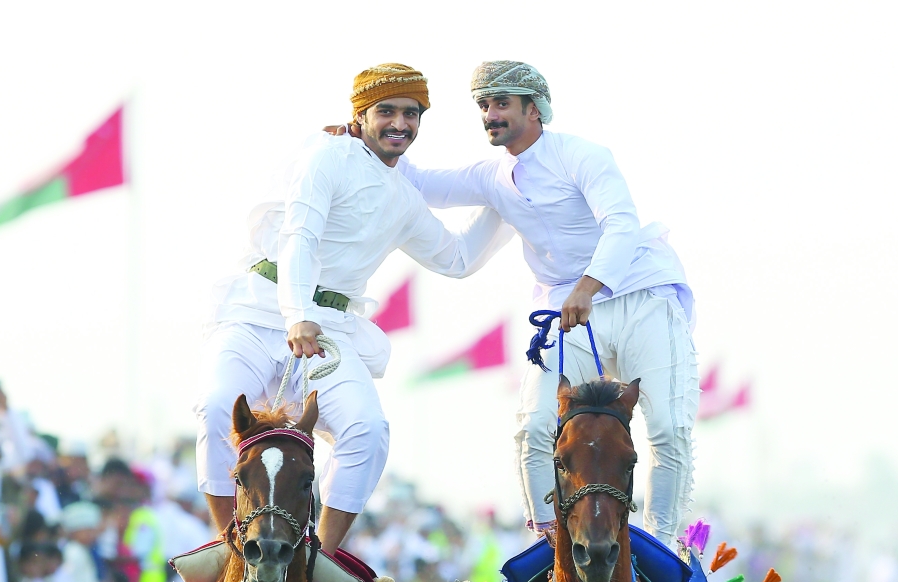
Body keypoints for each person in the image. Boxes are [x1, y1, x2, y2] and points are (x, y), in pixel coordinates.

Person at [338, 62, 699, 547]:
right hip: (567, 313)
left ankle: (664, 550)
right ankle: (549, 543)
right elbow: (421, 182)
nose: (490, 114)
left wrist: (587, 287)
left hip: (639, 296)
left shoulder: (582, 155)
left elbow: (621, 224)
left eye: (501, 103)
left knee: (669, 430)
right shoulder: (493, 176)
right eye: (483, 106)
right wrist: (358, 138)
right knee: (534, 426)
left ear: (534, 108)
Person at [196, 63, 509, 556]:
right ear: (359, 115)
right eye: (386, 111)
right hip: (257, 316)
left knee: (369, 430)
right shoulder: (328, 156)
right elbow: (300, 233)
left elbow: (458, 258)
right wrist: (298, 312)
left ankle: (317, 557)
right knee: (216, 407)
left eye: (411, 113)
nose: (399, 123)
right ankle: (223, 546)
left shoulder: (403, 196)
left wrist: (508, 198)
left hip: (330, 335)